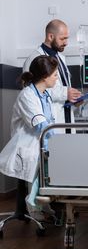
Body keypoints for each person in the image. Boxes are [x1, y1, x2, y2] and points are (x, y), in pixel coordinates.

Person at [0, 55, 59, 219]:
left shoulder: (45, 94)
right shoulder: (27, 95)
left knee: (47, 176)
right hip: (28, 146)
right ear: (45, 77)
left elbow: (50, 121)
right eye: (55, 75)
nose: (56, 78)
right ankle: (33, 207)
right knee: (36, 176)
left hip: (42, 143)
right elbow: (41, 124)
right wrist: (59, 142)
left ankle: (42, 204)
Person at [23, 19, 81, 127]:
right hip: (47, 121)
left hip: (65, 116)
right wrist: (65, 94)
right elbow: (33, 92)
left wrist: (72, 98)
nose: (66, 42)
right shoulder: (34, 59)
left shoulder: (61, 59)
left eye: (67, 38)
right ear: (50, 37)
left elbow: (62, 88)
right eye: (62, 39)